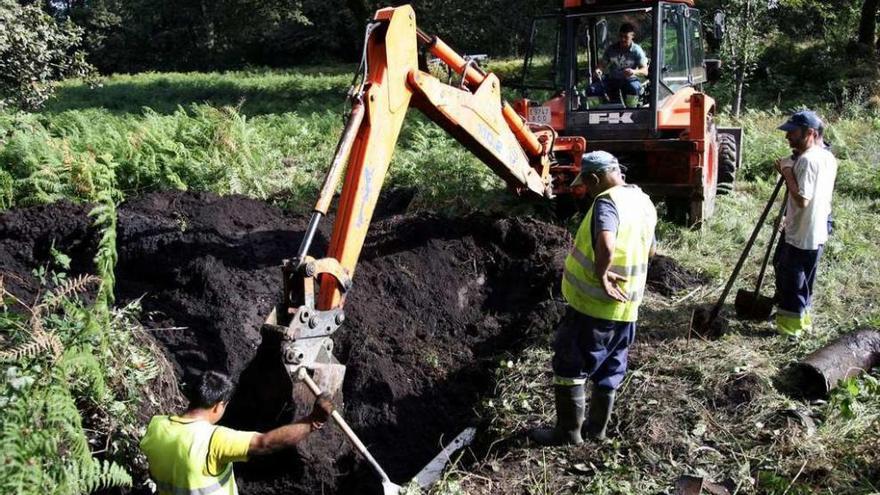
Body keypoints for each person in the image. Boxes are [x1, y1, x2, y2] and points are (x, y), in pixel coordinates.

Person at [531, 151, 657, 446]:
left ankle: (568, 433)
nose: (586, 190)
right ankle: (597, 431)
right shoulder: (643, 201)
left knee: (570, 364)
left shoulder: (607, 203)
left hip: (594, 305)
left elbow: (606, 243)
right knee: (611, 367)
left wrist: (603, 272)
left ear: (595, 177)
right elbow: (651, 251)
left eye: (586, 183)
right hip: (627, 308)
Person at [141, 371, 333, 495]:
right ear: (218, 406)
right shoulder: (213, 441)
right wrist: (313, 421)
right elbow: (264, 443)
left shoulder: (157, 426)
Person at [772, 110, 837, 338]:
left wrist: (787, 170)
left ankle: (790, 331)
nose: (787, 137)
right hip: (816, 229)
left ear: (810, 133)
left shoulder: (807, 161)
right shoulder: (826, 156)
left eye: (792, 132)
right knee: (803, 280)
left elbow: (802, 199)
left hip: (802, 233)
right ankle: (803, 321)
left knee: (792, 282)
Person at [585, 22, 649, 109]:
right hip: (612, 80)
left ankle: (632, 113)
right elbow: (601, 65)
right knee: (592, 89)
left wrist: (634, 71)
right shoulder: (611, 49)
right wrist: (598, 70)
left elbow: (645, 71)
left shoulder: (637, 51)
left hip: (629, 81)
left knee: (634, 88)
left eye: (626, 37)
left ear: (632, 36)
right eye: (621, 36)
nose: (622, 39)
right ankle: (594, 114)